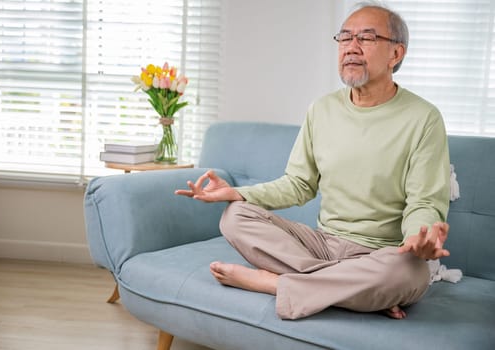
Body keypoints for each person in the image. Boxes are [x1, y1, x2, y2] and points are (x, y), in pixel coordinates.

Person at [175, 2, 450, 320]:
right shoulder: (322, 109)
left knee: (408, 274)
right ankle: (352, 290)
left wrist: (419, 235)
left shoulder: (424, 117)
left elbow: (424, 201)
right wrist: (238, 194)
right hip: (321, 244)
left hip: (383, 253)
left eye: (366, 37)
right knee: (234, 216)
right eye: (345, 37)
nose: (351, 47)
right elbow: (298, 184)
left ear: (396, 54)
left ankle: (276, 283)